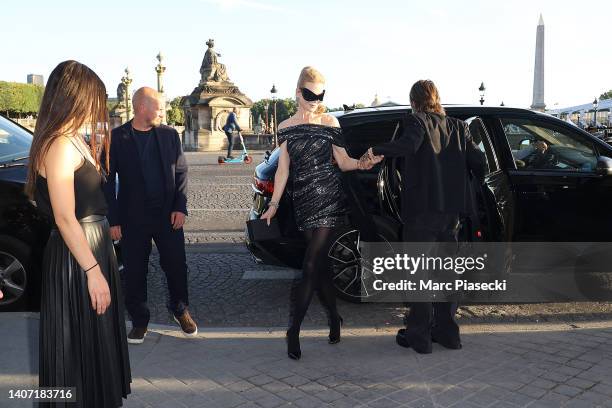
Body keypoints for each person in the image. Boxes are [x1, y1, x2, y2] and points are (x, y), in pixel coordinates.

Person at [25, 60, 131, 407]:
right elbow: (65, 217)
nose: (96, 107)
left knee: (94, 346)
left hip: (90, 249)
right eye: (92, 99)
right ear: (73, 97)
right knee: (76, 350)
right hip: (77, 258)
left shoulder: (72, 139)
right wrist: (93, 270)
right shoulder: (58, 145)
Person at [261, 66, 382, 360]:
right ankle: (334, 319)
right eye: (310, 93)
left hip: (329, 199)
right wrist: (274, 205)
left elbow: (343, 162)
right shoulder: (287, 126)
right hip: (303, 201)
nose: (316, 99)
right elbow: (283, 171)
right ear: (298, 93)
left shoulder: (330, 123)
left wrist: (363, 163)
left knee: (312, 263)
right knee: (322, 268)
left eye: (321, 94)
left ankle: (294, 331)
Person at [369, 79, 486, 354]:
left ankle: (420, 337)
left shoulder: (416, 122)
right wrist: (472, 185)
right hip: (451, 214)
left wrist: (376, 150)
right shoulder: (460, 127)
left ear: (414, 102)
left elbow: (408, 146)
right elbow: (479, 161)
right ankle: (448, 334)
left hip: (421, 213)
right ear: (436, 98)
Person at [104, 87, 196, 344]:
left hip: (168, 215)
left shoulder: (169, 135)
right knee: (134, 271)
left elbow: (181, 172)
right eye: (159, 107)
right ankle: (139, 320)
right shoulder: (117, 137)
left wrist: (180, 206)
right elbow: (108, 182)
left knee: (177, 266)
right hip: (133, 217)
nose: (163, 111)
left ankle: (180, 309)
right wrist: (114, 220)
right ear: (142, 107)